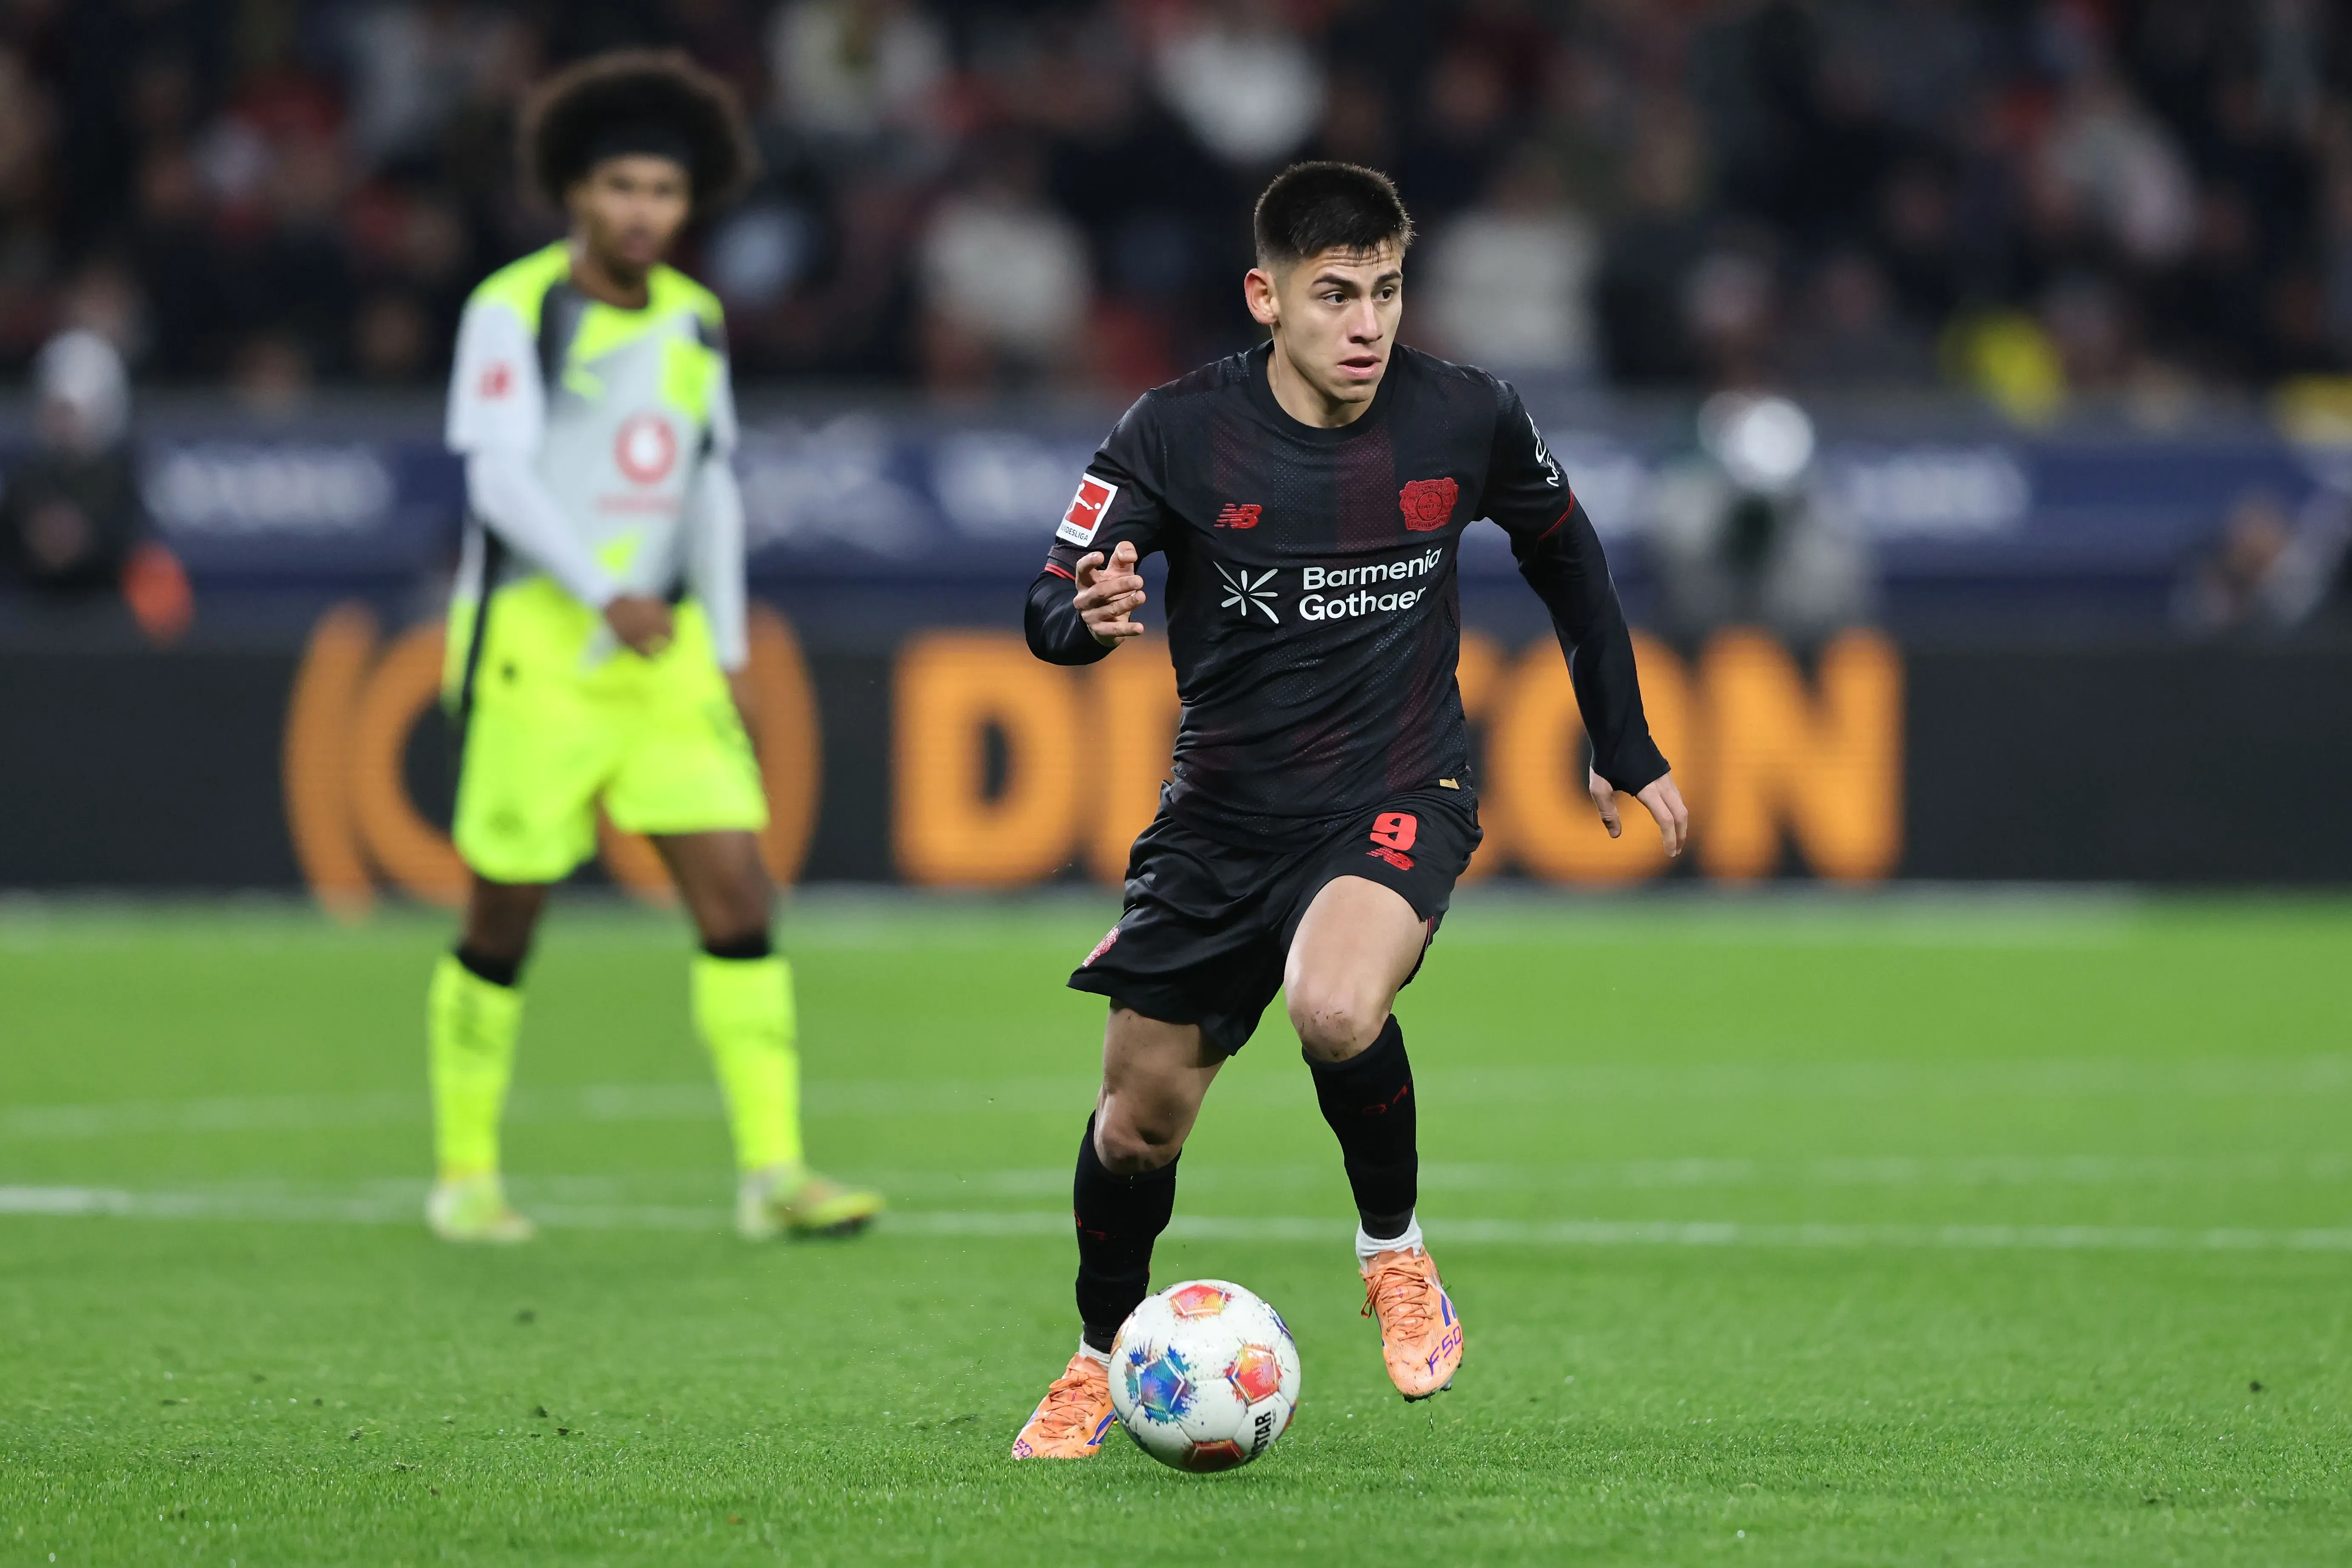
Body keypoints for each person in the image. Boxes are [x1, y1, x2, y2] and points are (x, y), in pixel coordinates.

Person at [1009, 162, 1688, 1459]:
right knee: (1138, 1124)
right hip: (1219, 821)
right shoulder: (1173, 432)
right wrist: (1080, 623)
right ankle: (1100, 1357)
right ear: (1267, 298)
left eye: (1384, 289)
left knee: (1336, 1003)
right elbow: (1052, 591)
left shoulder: (1465, 415)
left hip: (1394, 788)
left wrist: (1624, 739)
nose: (1367, 322)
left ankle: (1395, 1253)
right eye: (1334, 295)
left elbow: (1570, 559)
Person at [424, 50, 880, 1245]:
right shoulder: (514, 307)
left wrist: (723, 641)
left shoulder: (694, 318)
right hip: (540, 640)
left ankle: (773, 1173)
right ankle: (465, 1173)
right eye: (621, 186)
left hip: (663, 652)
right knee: (503, 916)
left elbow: (710, 485)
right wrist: (601, 589)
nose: (643, 212)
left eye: (664, 193)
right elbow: (499, 478)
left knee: (737, 889)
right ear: (576, 191)